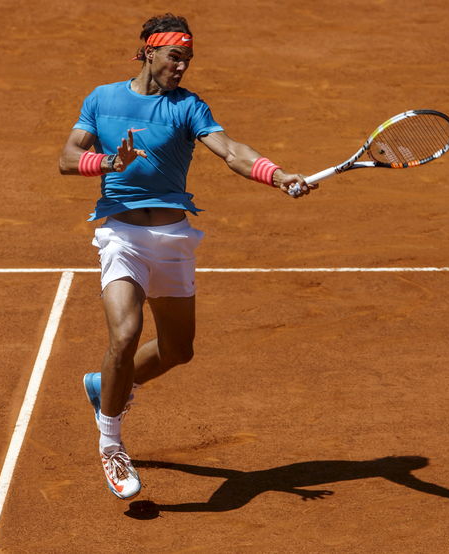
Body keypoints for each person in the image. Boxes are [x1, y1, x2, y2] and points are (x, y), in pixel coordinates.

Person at [58, 13, 317, 500]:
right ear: (148, 51)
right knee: (126, 334)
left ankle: (104, 384)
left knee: (178, 351)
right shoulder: (102, 99)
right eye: (175, 56)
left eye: (188, 59)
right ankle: (111, 445)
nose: (182, 67)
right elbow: (67, 157)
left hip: (173, 238)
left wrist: (277, 174)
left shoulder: (188, 107)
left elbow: (232, 151)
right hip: (122, 236)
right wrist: (110, 162)